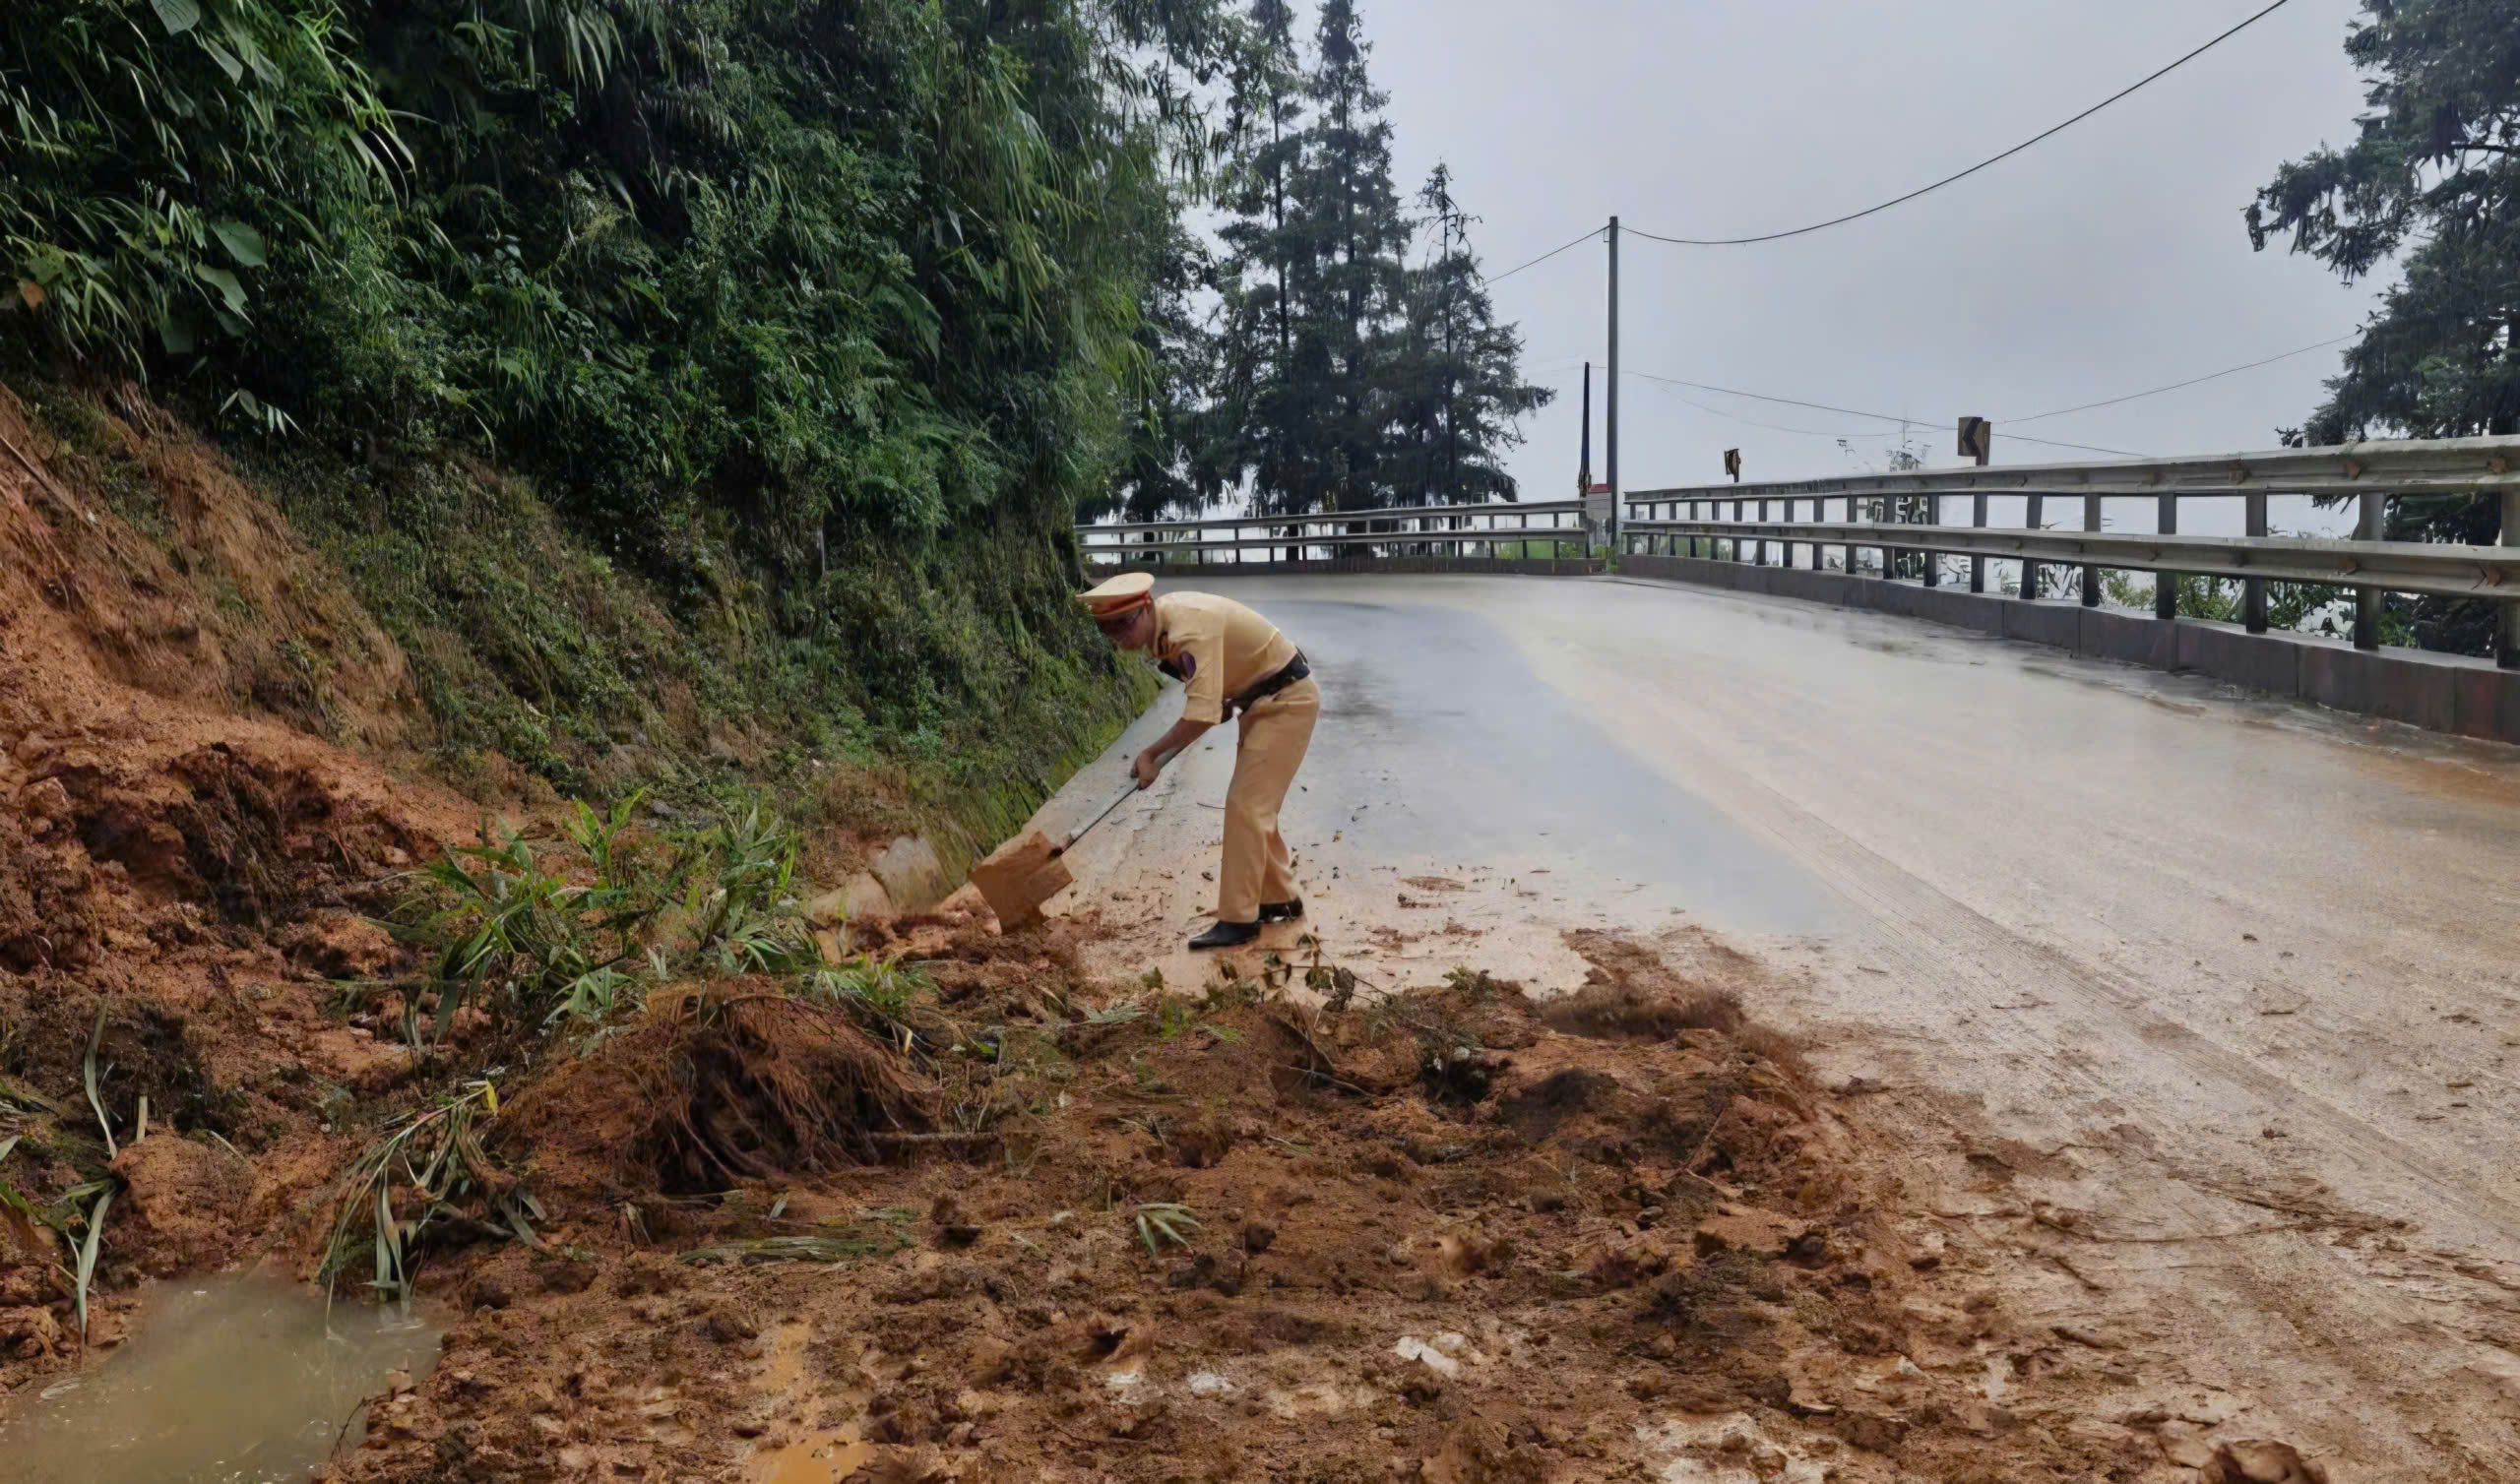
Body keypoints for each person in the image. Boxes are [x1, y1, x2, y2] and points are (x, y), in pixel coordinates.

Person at [1077, 571, 1318, 950]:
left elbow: (1202, 716)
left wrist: (1152, 754)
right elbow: (1209, 700)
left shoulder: (1187, 629)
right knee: (1254, 807)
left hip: (1286, 702)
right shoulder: (1165, 628)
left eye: (1124, 624)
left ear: (1145, 607)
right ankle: (1280, 899)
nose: (1120, 636)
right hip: (1262, 702)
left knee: (1247, 807)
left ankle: (1239, 921)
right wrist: (1220, 699)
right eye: (1108, 629)